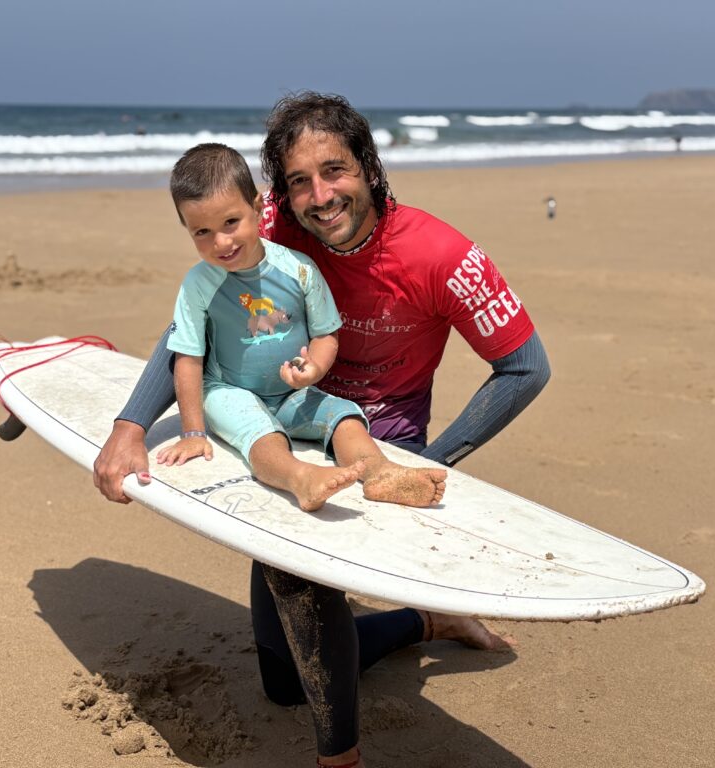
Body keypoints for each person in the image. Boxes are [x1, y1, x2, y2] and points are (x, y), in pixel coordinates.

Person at [94, 92, 551, 767]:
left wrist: (433, 460)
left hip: (376, 439)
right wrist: (131, 425)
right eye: (299, 181)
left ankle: (340, 757)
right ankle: (428, 620)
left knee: (298, 580)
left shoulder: (441, 254)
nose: (320, 196)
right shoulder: (271, 226)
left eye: (334, 171)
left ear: (367, 166)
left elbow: (525, 368)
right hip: (279, 412)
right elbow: (194, 325)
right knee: (284, 681)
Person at [157, 143, 447, 514]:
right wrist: (194, 432)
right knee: (261, 434)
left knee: (343, 416)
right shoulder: (199, 284)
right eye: (202, 232)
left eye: (231, 222)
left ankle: (380, 473)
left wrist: (315, 370)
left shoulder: (299, 269)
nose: (221, 242)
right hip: (230, 391)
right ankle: (300, 478)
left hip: (293, 392)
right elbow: (189, 357)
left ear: (258, 208)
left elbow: (326, 333)